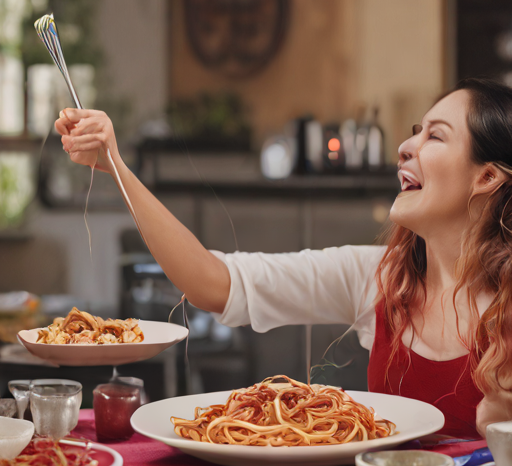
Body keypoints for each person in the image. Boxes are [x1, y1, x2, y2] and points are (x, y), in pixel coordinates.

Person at [55, 78, 512, 439]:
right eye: (416, 132)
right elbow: (214, 284)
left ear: (487, 176)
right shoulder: (376, 277)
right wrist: (114, 165)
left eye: (436, 136)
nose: (406, 147)